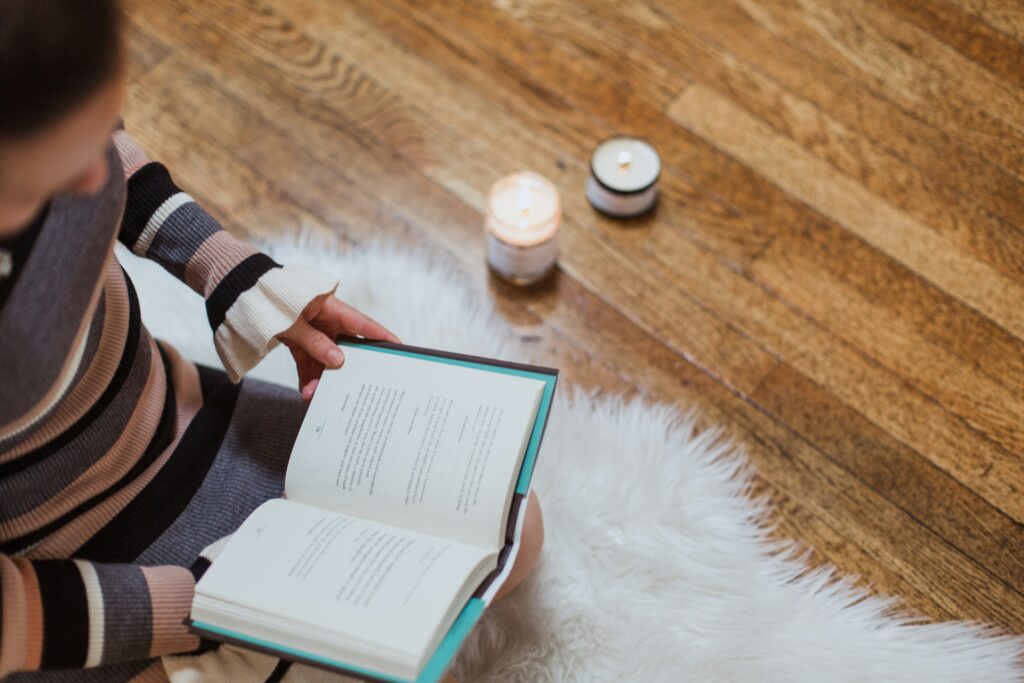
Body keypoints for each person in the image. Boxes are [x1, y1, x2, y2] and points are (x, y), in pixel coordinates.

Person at [0, 1, 544, 680]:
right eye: (56, 171)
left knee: (505, 528)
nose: (94, 182)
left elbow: (97, 146)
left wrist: (235, 275)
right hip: (78, 581)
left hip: (181, 415)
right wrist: (198, 607)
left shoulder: (41, 82)